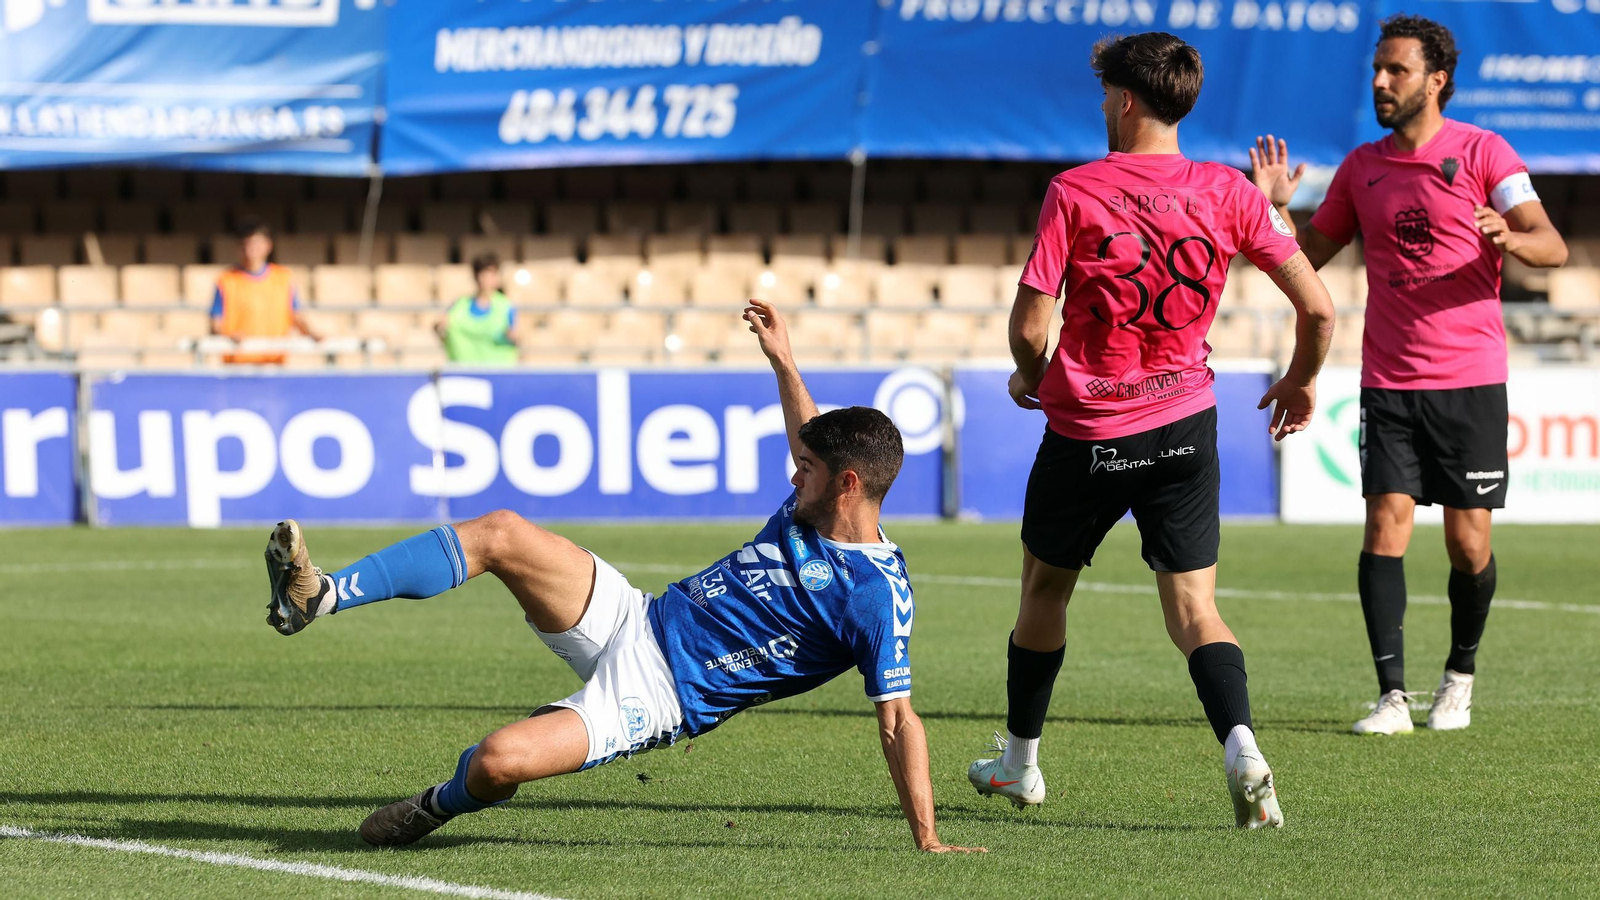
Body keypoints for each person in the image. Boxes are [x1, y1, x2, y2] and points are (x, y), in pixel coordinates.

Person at [261, 299, 984, 854]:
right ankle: (318, 598)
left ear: (849, 485)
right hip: (635, 616)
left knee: (497, 760)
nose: (795, 472)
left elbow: (897, 720)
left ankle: (434, 806)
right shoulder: (814, 501)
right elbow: (808, 430)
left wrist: (927, 836)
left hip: (659, 696)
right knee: (503, 533)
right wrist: (782, 359)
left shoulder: (876, 596)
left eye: (811, 470)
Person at [967, 32, 1335, 829]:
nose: (1103, 105)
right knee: (1196, 608)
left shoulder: (1077, 190)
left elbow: (1032, 322)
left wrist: (1032, 376)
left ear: (1126, 99)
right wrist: (1302, 378)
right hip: (1184, 427)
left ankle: (1020, 765)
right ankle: (1241, 743)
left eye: (1106, 94)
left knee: (1043, 589)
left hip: (1091, 429)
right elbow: (1320, 307)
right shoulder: (1231, 195)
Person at [1248, 15, 1568, 735]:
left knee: (1469, 544)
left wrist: (1510, 237)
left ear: (1437, 80)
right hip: (1389, 379)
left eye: (1396, 70)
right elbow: (1308, 258)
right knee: (1385, 524)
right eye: (1377, 70)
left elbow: (1554, 247)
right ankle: (1392, 696)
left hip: (1471, 379)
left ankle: (1458, 678)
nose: (1380, 82)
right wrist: (1273, 211)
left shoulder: (1486, 152)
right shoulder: (1363, 167)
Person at [210, 216, 321, 364]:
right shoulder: (226, 280)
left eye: (256, 243)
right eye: (246, 243)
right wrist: (230, 335)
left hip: (274, 363)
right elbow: (216, 323)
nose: (251, 248)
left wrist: (312, 333)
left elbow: (296, 316)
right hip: (238, 365)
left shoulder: (283, 278)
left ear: (268, 245)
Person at [438, 253, 518, 365]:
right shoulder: (459, 305)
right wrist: (440, 328)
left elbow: (516, 338)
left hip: (498, 373)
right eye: (483, 274)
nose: (487, 279)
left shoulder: (505, 306)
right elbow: (442, 333)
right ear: (476, 276)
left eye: (492, 274)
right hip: (465, 374)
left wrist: (512, 337)